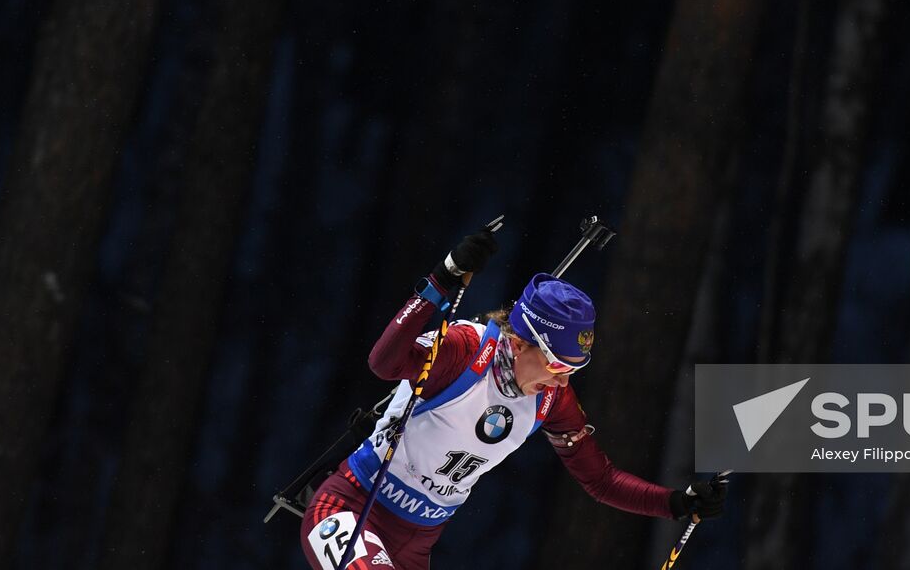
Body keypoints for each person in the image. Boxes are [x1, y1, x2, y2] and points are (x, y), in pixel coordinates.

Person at [299, 226, 727, 569]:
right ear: (521, 343)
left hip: (417, 545)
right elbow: (384, 363)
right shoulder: (465, 350)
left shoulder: (549, 400)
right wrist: (441, 281)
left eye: (574, 371)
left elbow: (599, 479)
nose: (563, 383)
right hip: (353, 510)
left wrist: (675, 503)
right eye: (557, 365)